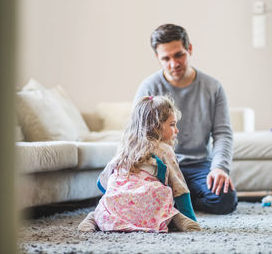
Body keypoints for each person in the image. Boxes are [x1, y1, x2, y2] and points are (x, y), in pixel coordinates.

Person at [133, 23, 237, 215]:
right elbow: (137, 136)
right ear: (158, 58)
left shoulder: (213, 87)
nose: (174, 63)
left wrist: (219, 168)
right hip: (160, 165)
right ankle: (182, 200)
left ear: (189, 49)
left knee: (225, 200)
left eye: (179, 54)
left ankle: (180, 201)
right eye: (166, 58)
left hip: (199, 166)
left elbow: (223, 134)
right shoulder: (148, 87)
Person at [78, 96, 201, 232]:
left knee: (107, 203)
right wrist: (191, 218)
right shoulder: (164, 150)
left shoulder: (125, 148)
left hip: (122, 204)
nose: (177, 130)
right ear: (156, 126)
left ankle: (96, 217)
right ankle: (177, 218)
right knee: (162, 195)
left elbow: (102, 182)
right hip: (146, 199)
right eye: (172, 125)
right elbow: (180, 188)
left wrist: (118, 197)